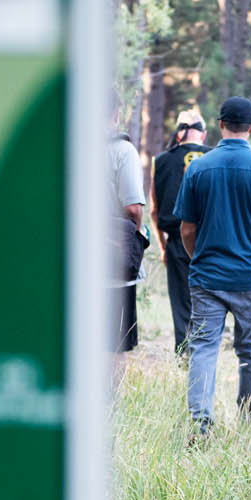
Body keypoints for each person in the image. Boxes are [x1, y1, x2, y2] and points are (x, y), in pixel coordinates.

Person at [174, 98, 251, 436]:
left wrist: (198, 256)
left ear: (220, 124)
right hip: (249, 278)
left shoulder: (197, 169)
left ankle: (200, 423)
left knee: (203, 348)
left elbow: (187, 228)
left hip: (207, 277)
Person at [152, 112, 211, 354]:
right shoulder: (213, 156)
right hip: (209, 241)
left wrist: (164, 247)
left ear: (178, 132)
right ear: (203, 133)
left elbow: (155, 210)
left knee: (181, 302)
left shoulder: (162, 160)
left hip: (177, 240)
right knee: (209, 299)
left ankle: (184, 353)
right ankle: (206, 350)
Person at [109, 131, 147, 369]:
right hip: (113, 262)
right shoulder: (122, 151)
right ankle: (108, 403)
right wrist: (138, 235)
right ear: (117, 113)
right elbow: (133, 208)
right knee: (114, 346)